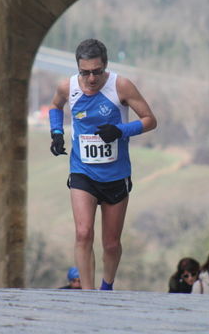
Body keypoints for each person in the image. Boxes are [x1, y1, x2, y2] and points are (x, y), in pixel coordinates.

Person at [49, 39, 157, 290]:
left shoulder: (121, 86)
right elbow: (56, 105)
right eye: (85, 72)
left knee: (111, 243)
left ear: (105, 66)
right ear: (78, 68)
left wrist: (120, 131)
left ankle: (106, 287)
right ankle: (88, 295)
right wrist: (56, 132)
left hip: (115, 174)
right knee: (83, 233)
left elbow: (150, 120)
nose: (91, 78)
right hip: (82, 171)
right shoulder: (68, 86)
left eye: (97, 72)